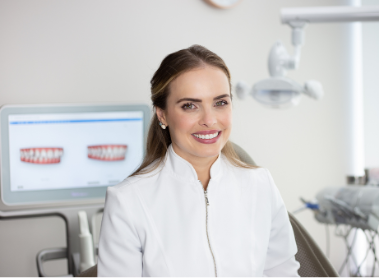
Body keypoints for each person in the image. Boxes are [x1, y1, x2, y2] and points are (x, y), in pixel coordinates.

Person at [98, 45, 300, 277]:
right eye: (190, 106)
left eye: (220, 102)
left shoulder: (260, 184)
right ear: (162, 114)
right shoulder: (127, 202)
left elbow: (282, 271)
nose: (209, 120)